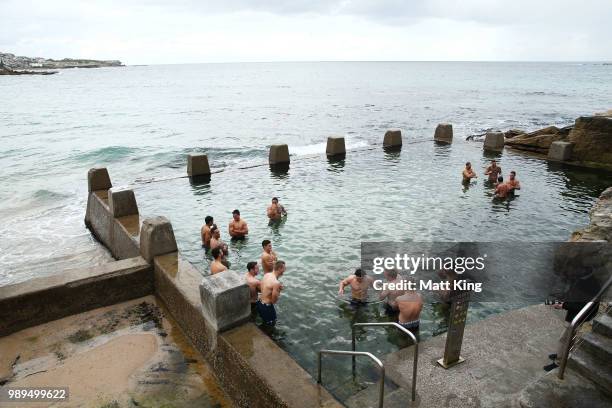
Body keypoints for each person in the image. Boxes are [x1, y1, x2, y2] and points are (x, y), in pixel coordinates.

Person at [257, 260, 286, 326]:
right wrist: (278, 290)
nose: (285, 270)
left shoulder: (267, 274)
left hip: (259, 303)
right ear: (279, 269)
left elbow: (263, 288)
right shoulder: (276, 283)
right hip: (267, 307)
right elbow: (273, 301)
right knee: (271, 325)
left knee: (264, 322)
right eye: (284, 268)